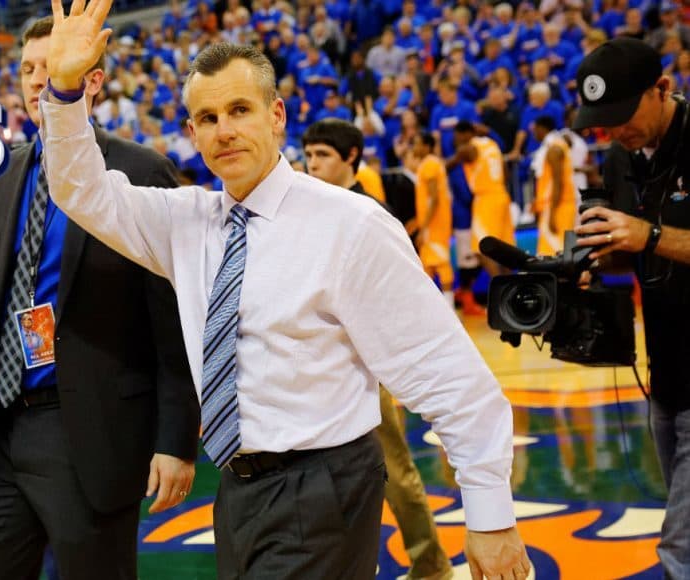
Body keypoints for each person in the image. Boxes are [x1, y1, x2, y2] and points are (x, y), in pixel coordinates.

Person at [40, 2, 531, 578]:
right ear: (193, 133)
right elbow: (82, 191)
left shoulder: (351, 225)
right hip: (237, 488)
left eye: (240, 110)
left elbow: (445, 373)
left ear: (277, 116)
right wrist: (66, 92)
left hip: (325, 486)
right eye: (207, 117)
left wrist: (491, 515)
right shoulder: (185, 223)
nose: (224, 130)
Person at [0, 17, 200, 580]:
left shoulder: (142, 170)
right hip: (3, 429)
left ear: (91, 81)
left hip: (90, 433)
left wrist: (177, 439)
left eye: (49, 67)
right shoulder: (2, 179)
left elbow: (174, 318)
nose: (35, 81)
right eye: (27, 69)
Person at [302, 119, 453, 580]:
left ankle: (431, 564)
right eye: (308, 156)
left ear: (351, 158)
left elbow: (402, 299)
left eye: (322, 155)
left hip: (370, 363)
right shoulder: (307, 211)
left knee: (394, 469)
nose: (312, 165)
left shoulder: (372, 215)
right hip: (320, 362)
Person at [571, 37, 690, 579]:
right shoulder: (620, 159)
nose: (613, 130)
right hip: (664, 370)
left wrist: (649, 234)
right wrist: (594, 262)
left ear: (661, 88)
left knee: (679, 548)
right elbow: (631, 252)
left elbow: (649, 239)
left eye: (621, 114)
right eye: (601, 119)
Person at [452, 120, 516, 277]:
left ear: (465, 133)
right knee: (504, 250)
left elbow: (448, 165)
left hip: (486, 199)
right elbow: (505, 171)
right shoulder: (491, 144)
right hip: (501, 194)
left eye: (457, 136)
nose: (456, 140)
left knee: (482, 249)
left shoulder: (469, 147)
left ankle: (501, 291)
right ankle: (513, 290)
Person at [411, 132, 455, 306]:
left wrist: (424, 227)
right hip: (434, 221)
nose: (414, 148)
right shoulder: (429, 163)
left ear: (427, 147)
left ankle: (450, 308)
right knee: (427, 266)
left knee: (441, 264)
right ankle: (427, 307)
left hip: (435, 223)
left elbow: (434, 198)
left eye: (417, 143)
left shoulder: (429, 164)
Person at [530, 116, 577, 256]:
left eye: (535, 130)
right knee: (561, 254)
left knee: (554, 256)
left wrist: (552, 213)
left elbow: (558, 182)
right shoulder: (557, 144)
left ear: (541, 128)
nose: (534, 134)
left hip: (558, 206)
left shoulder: (554, 149)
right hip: (560, 204)